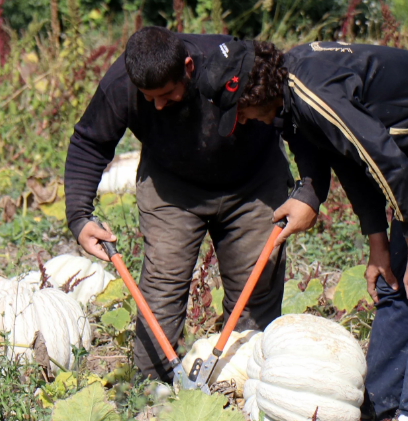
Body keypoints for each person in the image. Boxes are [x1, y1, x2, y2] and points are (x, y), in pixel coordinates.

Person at [209, 39, 408, 421]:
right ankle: (375, 411)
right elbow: (350, 163)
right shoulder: (288, 103)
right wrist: (379, 245)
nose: (242, 121)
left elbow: (381, 159)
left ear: (254, 90)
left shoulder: (315, 93)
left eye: (240, 111)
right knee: (393, 282)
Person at [64, 28, 315, 381]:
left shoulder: (230, 63)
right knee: (161, 291)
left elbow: (293, 113)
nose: (158, 105)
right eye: (148, 97)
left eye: (166, 93)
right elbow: (90, 142)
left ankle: (244, 389)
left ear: (187, 66)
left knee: (254, 294)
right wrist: (79, 216)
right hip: (172, 187)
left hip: (253, 182)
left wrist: (308, 191)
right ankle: (151, 393)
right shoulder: (121, 83)